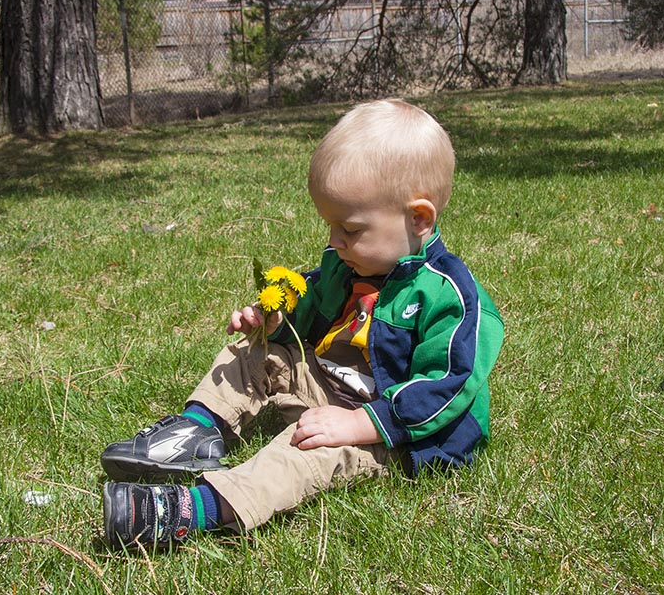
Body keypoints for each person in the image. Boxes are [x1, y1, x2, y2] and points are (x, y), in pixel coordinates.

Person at [100, 99, 505, 550]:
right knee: (254, 351)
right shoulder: (343, 264)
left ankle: (193, 510)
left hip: (391, 429)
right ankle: (195, 430)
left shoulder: (449, 295)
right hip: (325, 385)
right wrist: (273, 322)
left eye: (349, 228)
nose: (334, 241)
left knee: (304, 453)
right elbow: (307, 317)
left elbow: (449, 385)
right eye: (330, 225)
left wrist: (360, 424)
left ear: (418, 219)